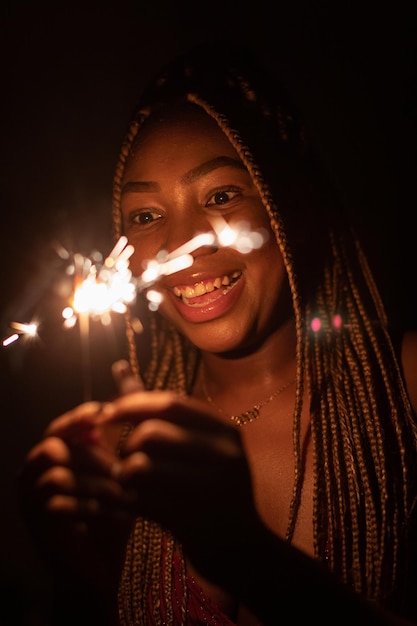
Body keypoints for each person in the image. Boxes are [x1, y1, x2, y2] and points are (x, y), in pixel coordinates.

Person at [17, 40, 417, 626]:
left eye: (221, 196)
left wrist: (244, 554)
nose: (179, 247)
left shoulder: (402, 392)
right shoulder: (119, 455)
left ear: (288, 207)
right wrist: (74, 575)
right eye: (146, 217)